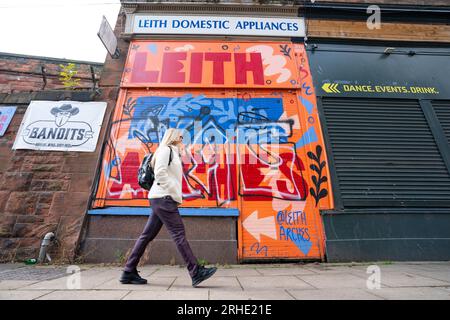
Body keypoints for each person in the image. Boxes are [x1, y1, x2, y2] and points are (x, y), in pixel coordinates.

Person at [120, 128, 217, 287]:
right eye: (180, 136)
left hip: (160, 198)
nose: (182, 139)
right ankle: (195, 271)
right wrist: (172, 190)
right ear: (173, 137)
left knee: (146, 236)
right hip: (164, 198)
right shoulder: (166, 150)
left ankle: (128, 271)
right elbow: (160, 173)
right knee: (178, 234)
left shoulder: (171, 151)